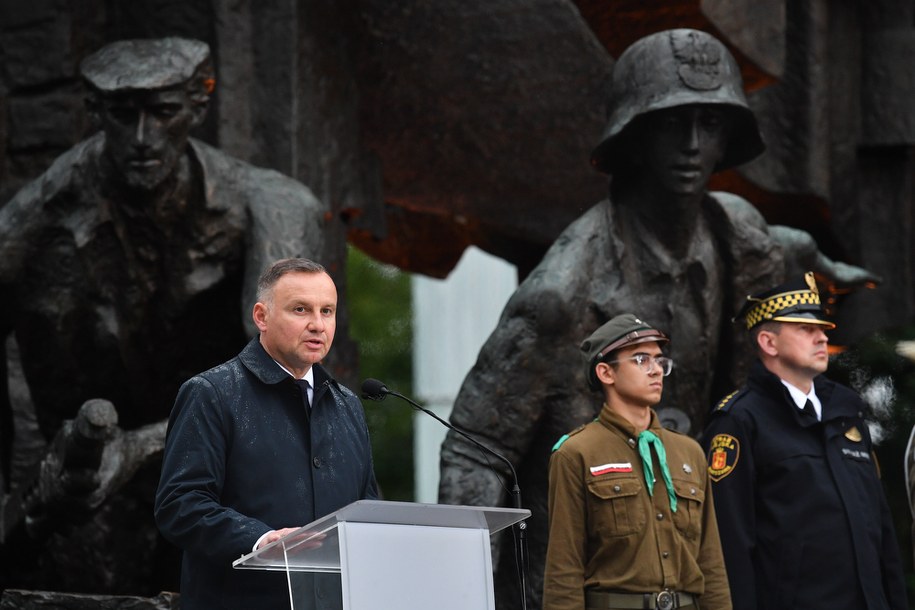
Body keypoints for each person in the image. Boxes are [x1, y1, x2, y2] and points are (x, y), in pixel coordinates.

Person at [438, 28, 876, 610]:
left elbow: (776, 245)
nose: (693, 144)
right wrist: (464, 592)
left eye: (711, 124)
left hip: (695, 570)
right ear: (634, 135)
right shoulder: (559, 296)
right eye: (672, 122)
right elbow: (474, 450)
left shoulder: (737, 235)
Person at [0, 37, 325, 593]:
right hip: (87, 484)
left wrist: (144, 447)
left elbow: (288, 380)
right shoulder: (41, 213)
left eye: (164, 113)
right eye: (123, 117)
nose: (143, 139)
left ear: (199, 107)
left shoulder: (271, 206)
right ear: (95, 112)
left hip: (231, 471)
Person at [155, 257, 378, 610]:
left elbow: (368, 513)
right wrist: (261, 539)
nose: (317, 325)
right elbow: (180, 504)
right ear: (262, 316)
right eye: (301, 310)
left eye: (327, 311)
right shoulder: (212, 393)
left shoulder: (347, 404)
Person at [701, 272, 907, 610]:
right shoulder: (739, 421)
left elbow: (880, 529)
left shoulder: (847, 414)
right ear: (769, 343)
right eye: (805, 329)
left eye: (822, 330)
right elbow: (730, 544)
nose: (822, 339)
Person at [544, 313, 730, 610]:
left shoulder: (689, 452)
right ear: (606, 373)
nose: (656, 370)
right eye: (641, 360)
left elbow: (711, 560)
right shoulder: (577, 452)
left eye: (659, 361)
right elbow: (564, 567)